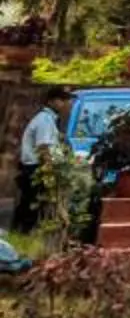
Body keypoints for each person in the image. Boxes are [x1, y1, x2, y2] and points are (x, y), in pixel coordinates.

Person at [12, 86, 70, 235]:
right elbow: (43, 147)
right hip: (35, 167)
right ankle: (22, 235)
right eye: (61, 100)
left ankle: (19, 234)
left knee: (29, 204)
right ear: (51, 101)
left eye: (66, 100)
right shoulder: (44, 120)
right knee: (31, 205)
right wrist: (49, 170)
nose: (65, 103)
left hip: (36, 167)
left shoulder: (48, 119)